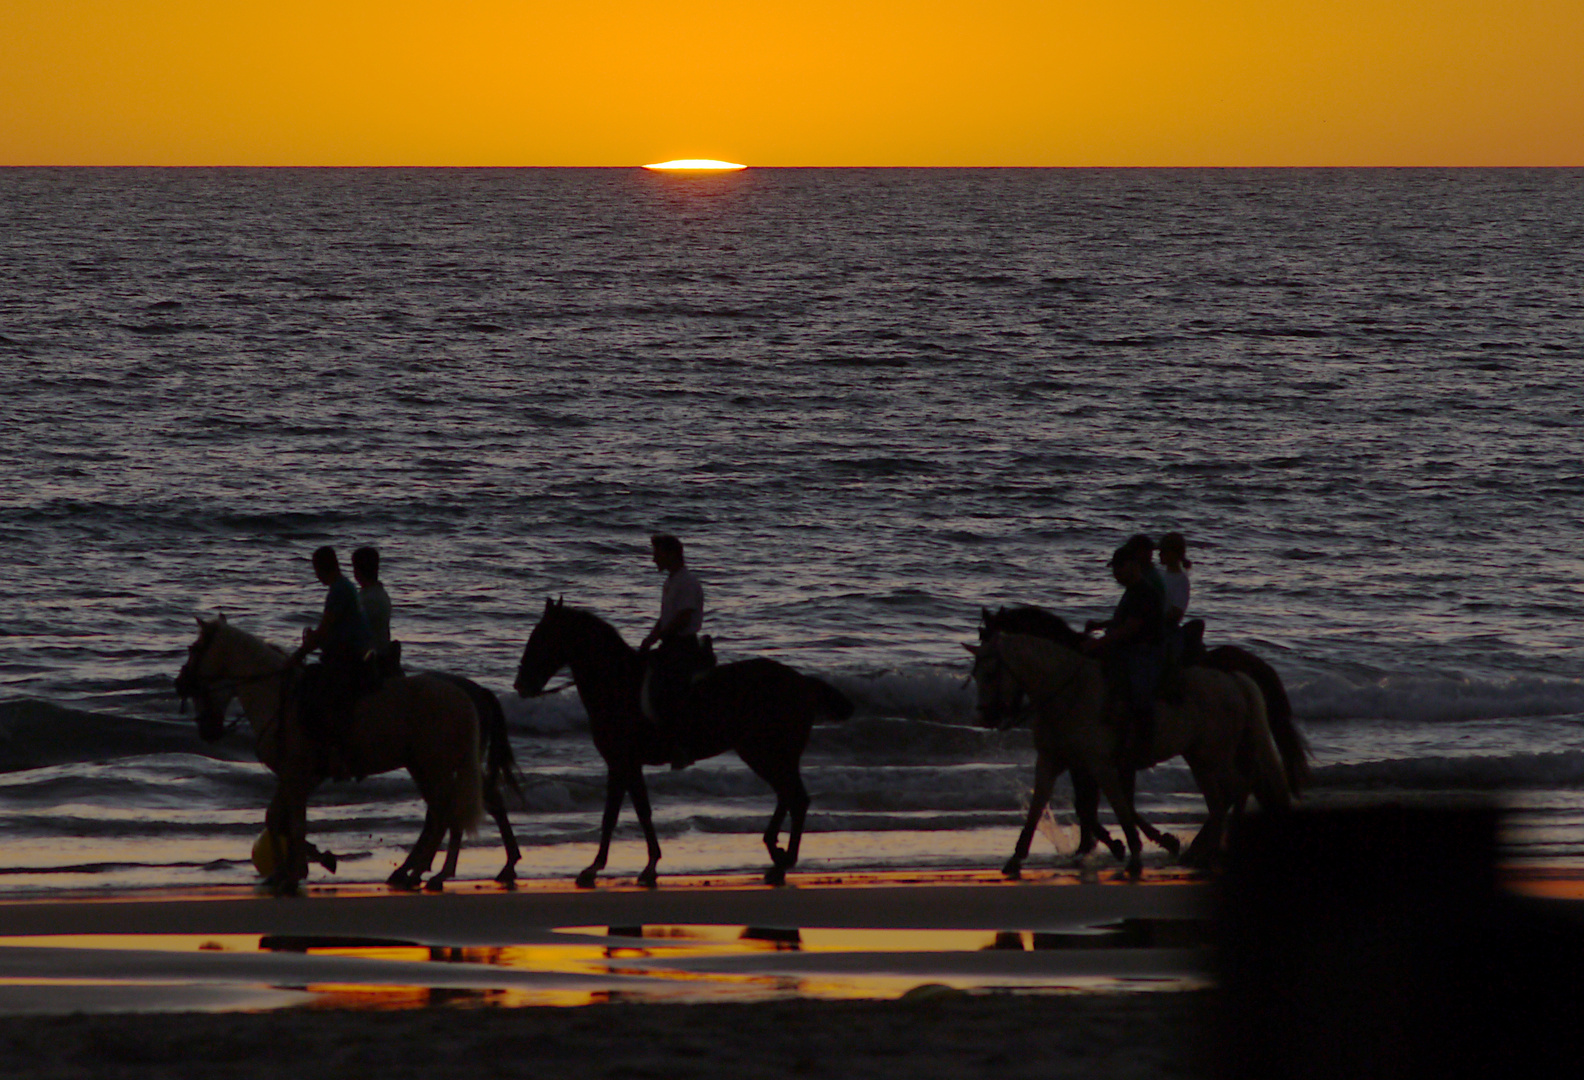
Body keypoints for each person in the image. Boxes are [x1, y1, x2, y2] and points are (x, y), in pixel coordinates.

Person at [289, 546, 373, 776]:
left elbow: (325, 630)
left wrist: (298, 655)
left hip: (350, 654)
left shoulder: (339, 591)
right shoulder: (344, 587)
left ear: (319, 568)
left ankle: (337, 750)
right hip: (350, 650)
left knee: (320, 693)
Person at [1085, 535, 1167, 766]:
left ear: (1132, 565)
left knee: (1138, 693)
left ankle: (1144, 746)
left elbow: (1131, 628)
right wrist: (1101, 626)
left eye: (1119, 567)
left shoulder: (1144, 592)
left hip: (1145, 651)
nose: (1116, 574)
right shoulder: (1132, 591)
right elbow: (1123, 622)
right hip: (1129, 647)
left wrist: (1100, 642)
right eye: (1114, 569)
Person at [639, 533, 712, 768]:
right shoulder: (670, 582)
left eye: (657, 554)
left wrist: (660, 635)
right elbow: (665, 618)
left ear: (671, 554)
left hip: (683, 646)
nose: (654, 560)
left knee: (670, 690)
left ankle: (681, 746)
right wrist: (650, 638)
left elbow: (684, 617)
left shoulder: (687, 582)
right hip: (669, 644)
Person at [352, 545, 402, 678]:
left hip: (368, 661)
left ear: (357, 571)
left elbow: (352, 631)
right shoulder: (378, 594)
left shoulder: (368, 599)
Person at [1159, 532, 1206, 664]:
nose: (1159, 555)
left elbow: (1177, 611)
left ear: (1174, 554)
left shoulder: (1181, 580)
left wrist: (1155, 619)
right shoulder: (1161, 575)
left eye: (1163, 551)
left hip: (1167, 629)